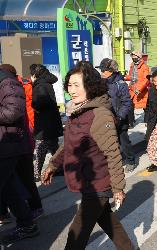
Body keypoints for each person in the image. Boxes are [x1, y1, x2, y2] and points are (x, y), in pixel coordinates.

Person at [41, 61, 134, 249]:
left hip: (98, 182)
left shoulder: (99, 114)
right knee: (108, 220)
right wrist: (53, 164)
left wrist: (118, 188)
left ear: (89, 87)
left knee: (77, 233)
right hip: (86, 180)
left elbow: (113, 154)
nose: (72, 90)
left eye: (77, 85)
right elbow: (69, 144)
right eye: (69, 85)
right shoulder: (77, 111)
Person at [0, 64, 40, 243]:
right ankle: (27, 223)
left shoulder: (6, 81)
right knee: (10, 188)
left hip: (7, 145)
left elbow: (12, 112)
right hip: (6, 144)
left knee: (11, 186)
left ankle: (27, 222)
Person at [97, 58, 137, 173]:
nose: (102, 73)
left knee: (124, 142)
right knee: (108, 143)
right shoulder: (101, 83)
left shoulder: (121, 84)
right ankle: (112, 163)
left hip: (119, 119)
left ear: (111, 71)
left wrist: (119, 117)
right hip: (106, 119)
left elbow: (127, 103)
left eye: (103, 70)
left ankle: (131, 161)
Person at [30, 64, 63, 180]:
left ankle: (36, 174)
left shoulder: (40, 86)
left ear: (35, 74)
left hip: (44, 123)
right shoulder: (46, 83)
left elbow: (41, 103)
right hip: (51, 121)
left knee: (40, 148)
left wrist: (34, 105)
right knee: (54, 147)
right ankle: (60, 168)